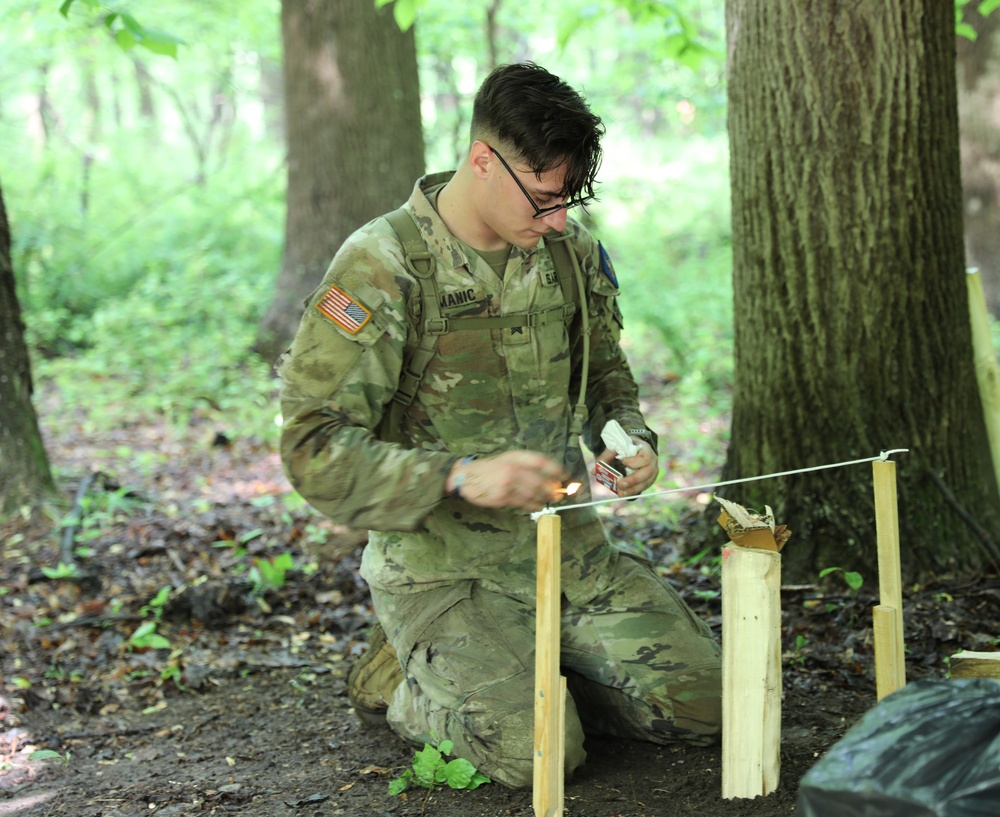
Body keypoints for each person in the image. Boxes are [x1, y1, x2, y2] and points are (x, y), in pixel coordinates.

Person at [277, 62, 721, 789]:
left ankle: (536, 667)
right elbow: (312, 446)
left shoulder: (568, 254)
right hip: (447, 574)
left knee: (712, 706)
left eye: (568, 199)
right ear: (483, 160)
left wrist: (630, 440)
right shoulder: (383, 267)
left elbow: (607, 376)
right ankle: (401, 674)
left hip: (572, 558)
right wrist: (458, 474)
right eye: (544, 199)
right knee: (537, 754)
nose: (557, 220)